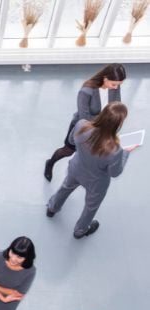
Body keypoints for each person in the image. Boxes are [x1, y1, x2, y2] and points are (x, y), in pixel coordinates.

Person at [46, 102, 139, 239]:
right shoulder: (115, 150)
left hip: (76, 168)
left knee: (65, 187)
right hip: (96, 181)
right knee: (91, 207)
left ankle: (52, 208)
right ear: (118, 124)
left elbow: (71, 141)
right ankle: (80, 230)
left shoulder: (81, 124)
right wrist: (125, 153)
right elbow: (114, 173)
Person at [44, 63, 126, 182]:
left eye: (118, 85)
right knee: (68, 151)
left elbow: (116, 104)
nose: (115, 88)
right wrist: (105, 120)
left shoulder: (115, 86)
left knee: (88, 153)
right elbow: (84, 118)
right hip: (83, 127)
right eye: (113, 84)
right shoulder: (87, 91)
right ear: (105, 78)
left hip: (102, 127)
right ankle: (50, 163)